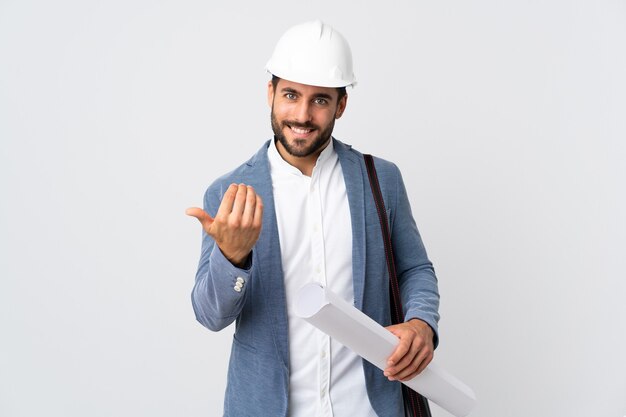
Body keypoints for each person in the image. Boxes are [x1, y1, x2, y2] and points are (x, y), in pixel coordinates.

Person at [186, 20, 440, 417]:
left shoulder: (380, 180)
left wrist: (422, 324)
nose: (302, 115)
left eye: (320, 100)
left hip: (370, 407)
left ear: (341, 104)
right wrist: (232, 259)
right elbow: (209, 315)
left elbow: (415, 268)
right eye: (290, 95)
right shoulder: (229, 193)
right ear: (270, 93)